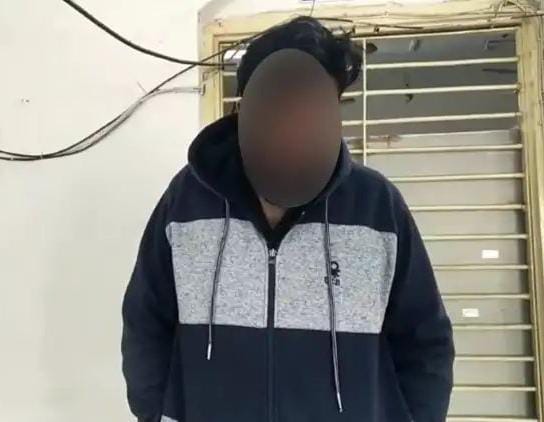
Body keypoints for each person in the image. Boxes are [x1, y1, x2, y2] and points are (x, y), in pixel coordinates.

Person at [122, 16, 454, 422]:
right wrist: (155, 414)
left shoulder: (377, 208)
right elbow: (145, 319)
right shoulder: (187, 200)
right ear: (245, 107)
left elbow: (425, 341)